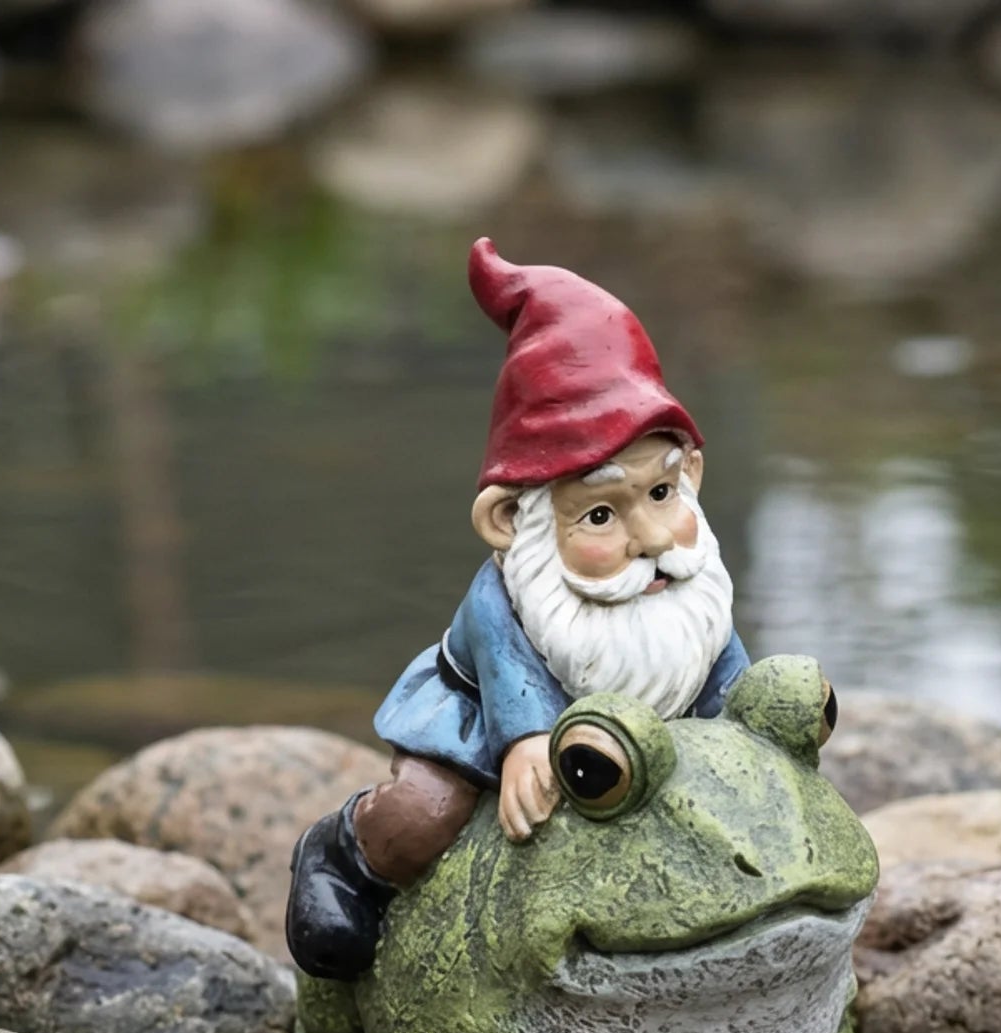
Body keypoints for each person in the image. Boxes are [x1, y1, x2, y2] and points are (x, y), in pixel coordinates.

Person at [287, 235, 750, 980]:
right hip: (482, 724)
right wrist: (526, 740)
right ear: (509, 522)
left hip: (640, 740)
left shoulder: (686, 583)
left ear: (690, 470)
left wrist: (753, 721)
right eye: (600, 515)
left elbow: (721, 659)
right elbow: (506, 667)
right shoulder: (507, 595)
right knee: (423, 820)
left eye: (662, 493)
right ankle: (342, 857)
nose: (652, 539)